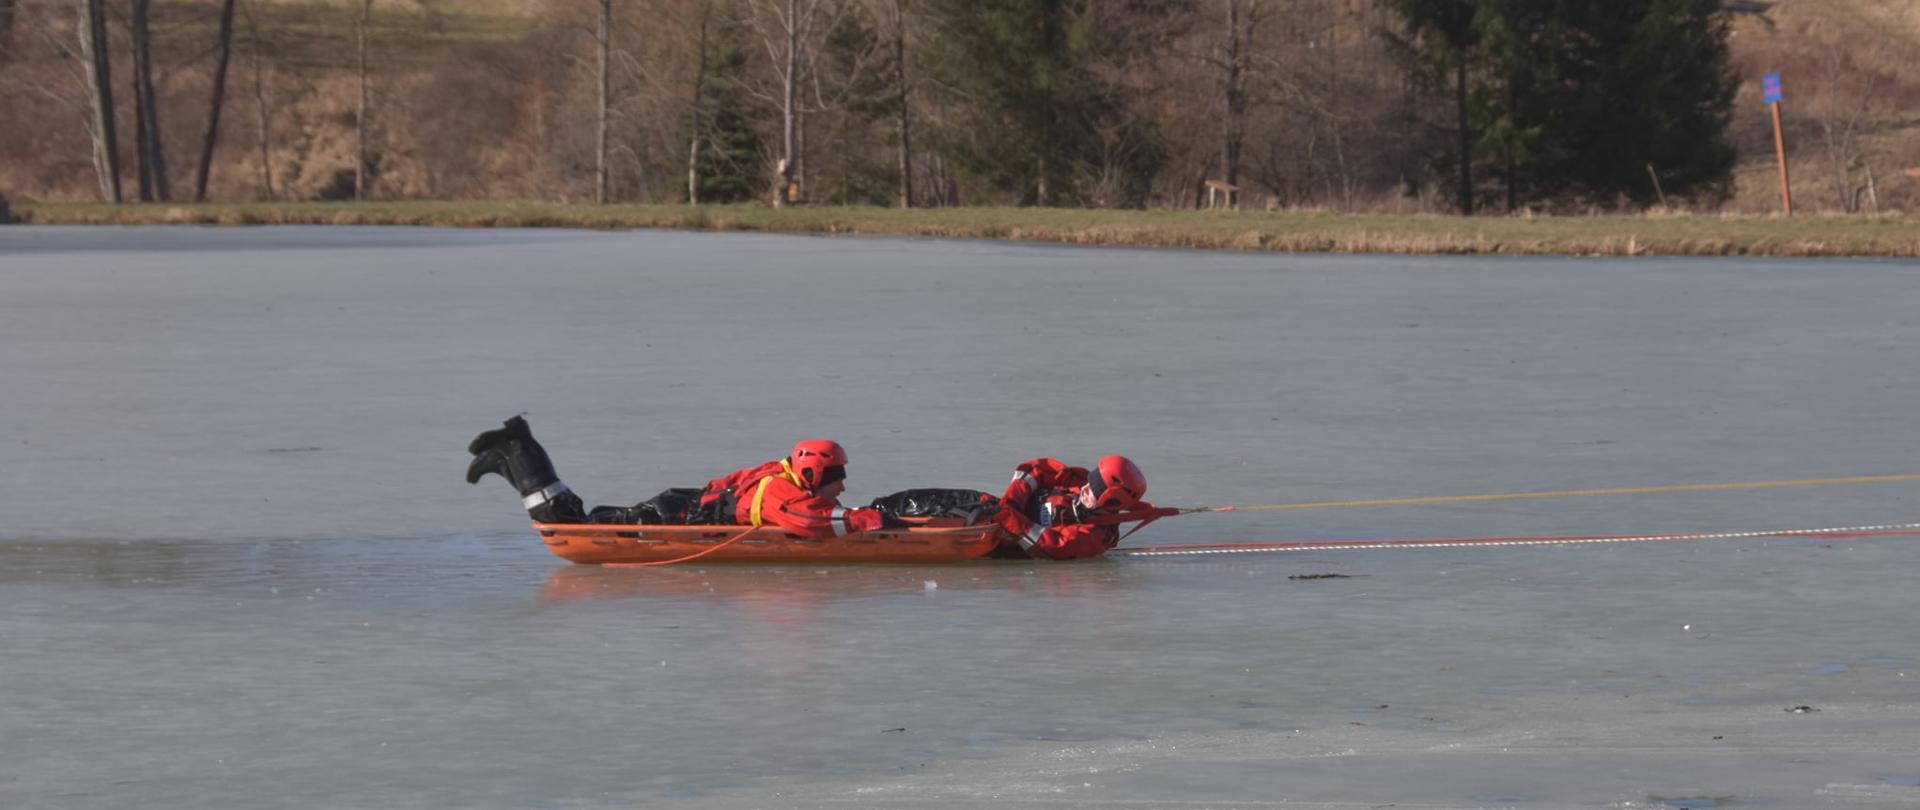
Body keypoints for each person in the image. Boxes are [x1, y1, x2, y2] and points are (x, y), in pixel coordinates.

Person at [465, 416, 893, 539]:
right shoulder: (781, 491)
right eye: (837, 477)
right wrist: (868, 519)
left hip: (683, 504)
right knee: (567, 524)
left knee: (581, 516)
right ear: (814, 472)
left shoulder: (779, 472)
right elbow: (810, 521)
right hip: (674, 516)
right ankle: (517, 448)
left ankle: (508, 458)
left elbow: (725, 482)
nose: (842, 485)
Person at [869, 455, 1154, 560]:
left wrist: (1007, 516)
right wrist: (1011, 503)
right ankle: (865, 514)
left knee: (916, 520)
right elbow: (1035, 470)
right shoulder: (1078, 484)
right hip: (990, 507)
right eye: (1091, 481)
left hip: (988, 537)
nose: (1086, 487)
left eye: (1095, 489)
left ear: (1111, 501)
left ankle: (868, 532)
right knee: (907, 500)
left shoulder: (1094, 535)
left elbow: (1048, 545)